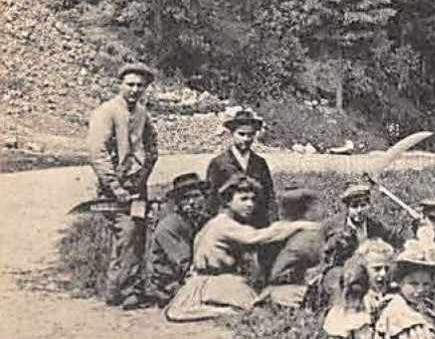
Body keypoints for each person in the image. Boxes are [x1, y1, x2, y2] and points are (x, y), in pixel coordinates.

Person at [164, 175, 320, 322]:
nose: (250, 204)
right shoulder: (223, 224)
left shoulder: (217, 222)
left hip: (201, 282)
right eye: (243, 199)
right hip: (214, 283)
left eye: (253, 199)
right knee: (260, 309)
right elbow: (257, 237)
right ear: (228, 201)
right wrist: (299, 225)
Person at [86, 62, 161, 308]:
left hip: (136, 186)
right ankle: (126, 290)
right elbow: (97, 152)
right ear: (120, 84)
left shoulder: (142, 113)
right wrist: (114, 185)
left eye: (140, 85)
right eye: (130, 84)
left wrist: (145, 172)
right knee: (126, 232)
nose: (134, 89)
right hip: (112, 187)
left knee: (137, 234)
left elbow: (152, 145)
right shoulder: (106, 112)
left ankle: (121, 289)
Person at [204, 106, 277, 285]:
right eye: (241, 134)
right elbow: (212, 196)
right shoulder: (219, 163)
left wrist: (273, 220)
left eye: (250, 135)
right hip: (230, 221)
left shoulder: (260, 163)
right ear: (232, 135)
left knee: (262, 257)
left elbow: (269, 194)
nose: (246, 139)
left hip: (257, 218)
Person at [314, 238, 396, 339]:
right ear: (364, 270)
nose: (383, 274)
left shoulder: (390, 292)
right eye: (376, 269)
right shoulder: (359, 295)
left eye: (387, 268)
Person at [373, 237, 435, 339]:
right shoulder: (400, 313)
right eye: (413, 284)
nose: (420, 290)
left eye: (426, 285)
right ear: (399, 282)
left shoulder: (419, 307)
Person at [142, 172, 209, 306]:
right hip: (169, 284)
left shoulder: (202, 220)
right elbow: (183, 264)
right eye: (185, 198)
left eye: (196, 196)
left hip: (192, 275)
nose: (191, 202)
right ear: (178, 203)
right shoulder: (169, 227)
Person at [265, 188, 325, 307]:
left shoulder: (274, 229)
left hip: (270, 289)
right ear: (308, 209)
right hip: (293, 291)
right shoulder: (309, 237)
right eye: (316, 206)